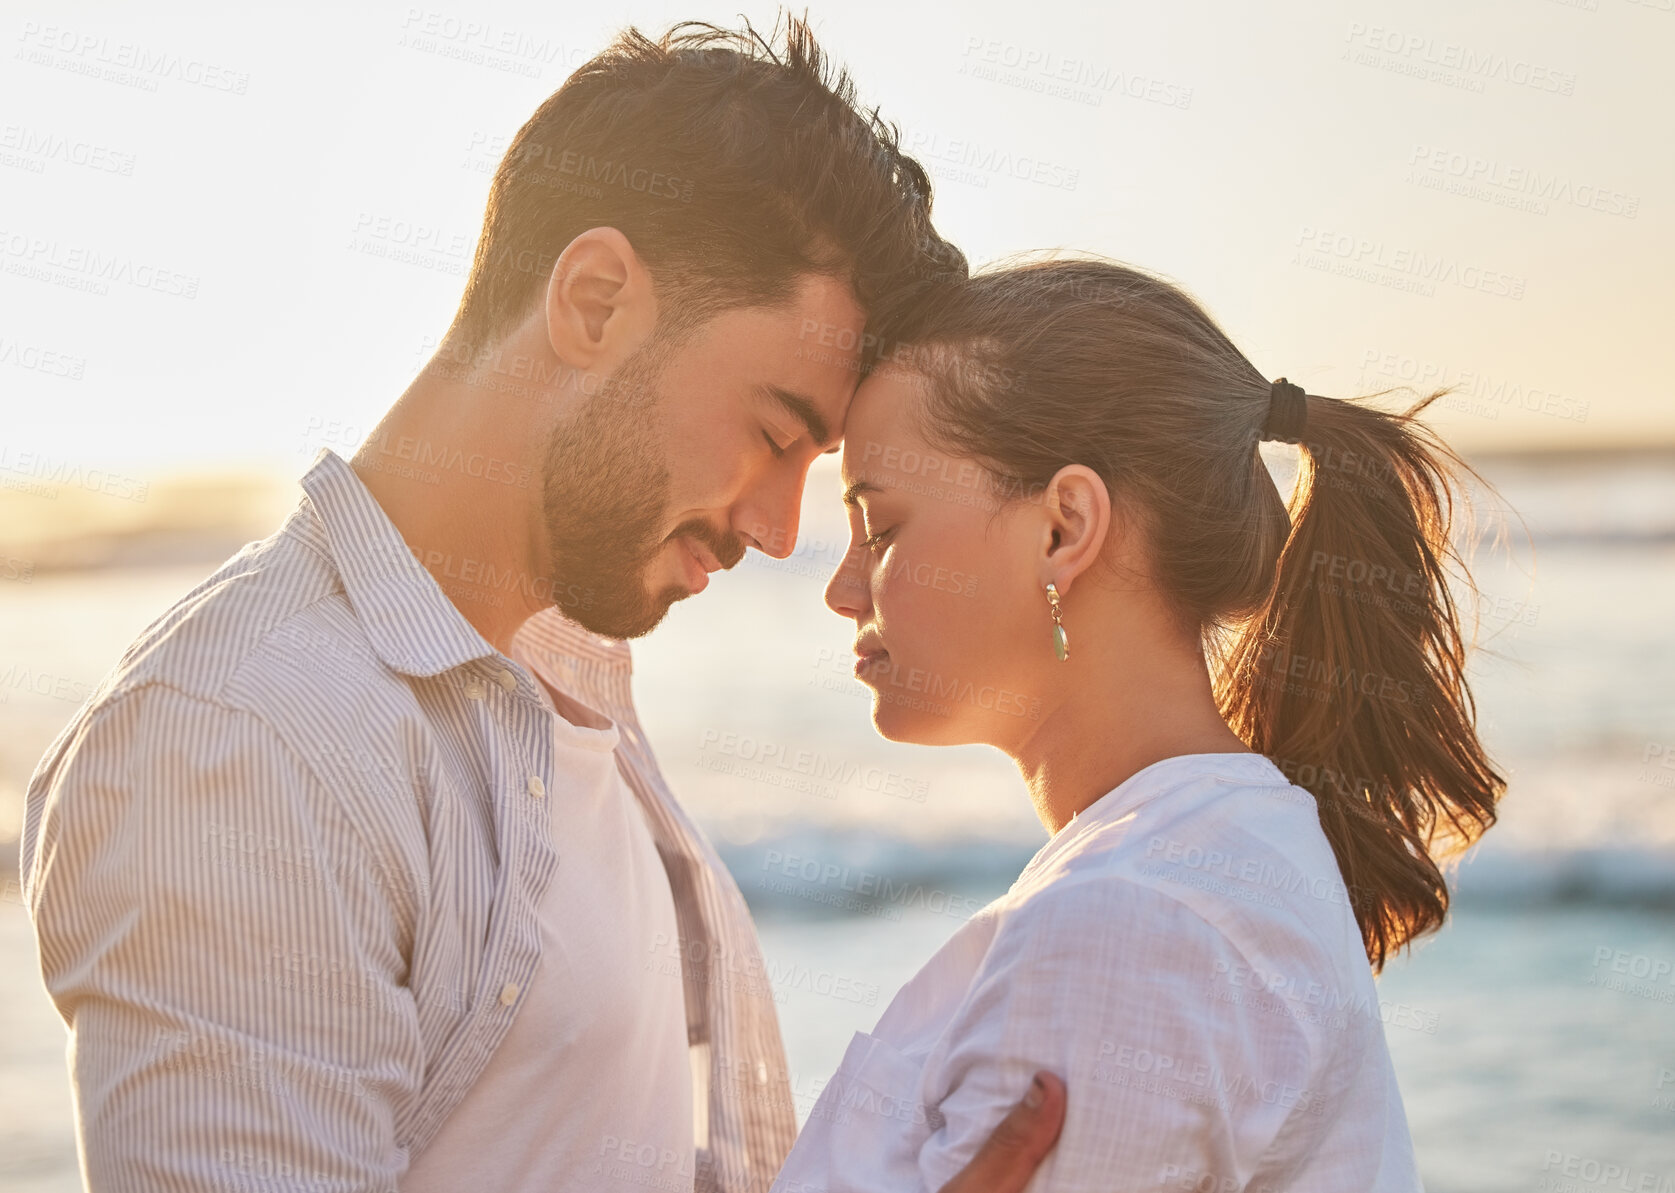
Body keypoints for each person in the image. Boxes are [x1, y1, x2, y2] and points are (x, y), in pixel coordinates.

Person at [18, 19, 1065, 1193]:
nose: (777, 528)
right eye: (774, 435)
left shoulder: (564, 662)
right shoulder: (245, 738)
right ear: (596, 298)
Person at [774, 258, 1506, 1192]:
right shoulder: (1200, 858)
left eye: (879, 528)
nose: (841, 591)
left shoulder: (1125, 923)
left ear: (1062, 527)